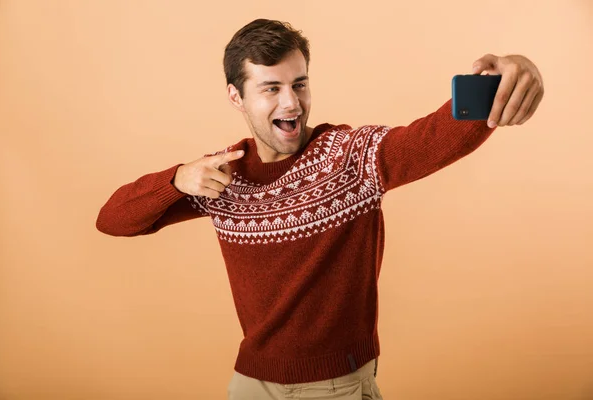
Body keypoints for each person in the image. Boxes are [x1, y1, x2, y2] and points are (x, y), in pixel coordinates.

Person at [96, 18, 544, 400]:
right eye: (271, 88)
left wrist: (509, 76)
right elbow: (113, 220)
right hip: (250, 384)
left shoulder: (350, 156)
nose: (291, 103)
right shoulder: (221, 175)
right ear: (236, 96)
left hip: (337, 385)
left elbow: (432, 139)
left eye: (299, 84)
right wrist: (175, 179)